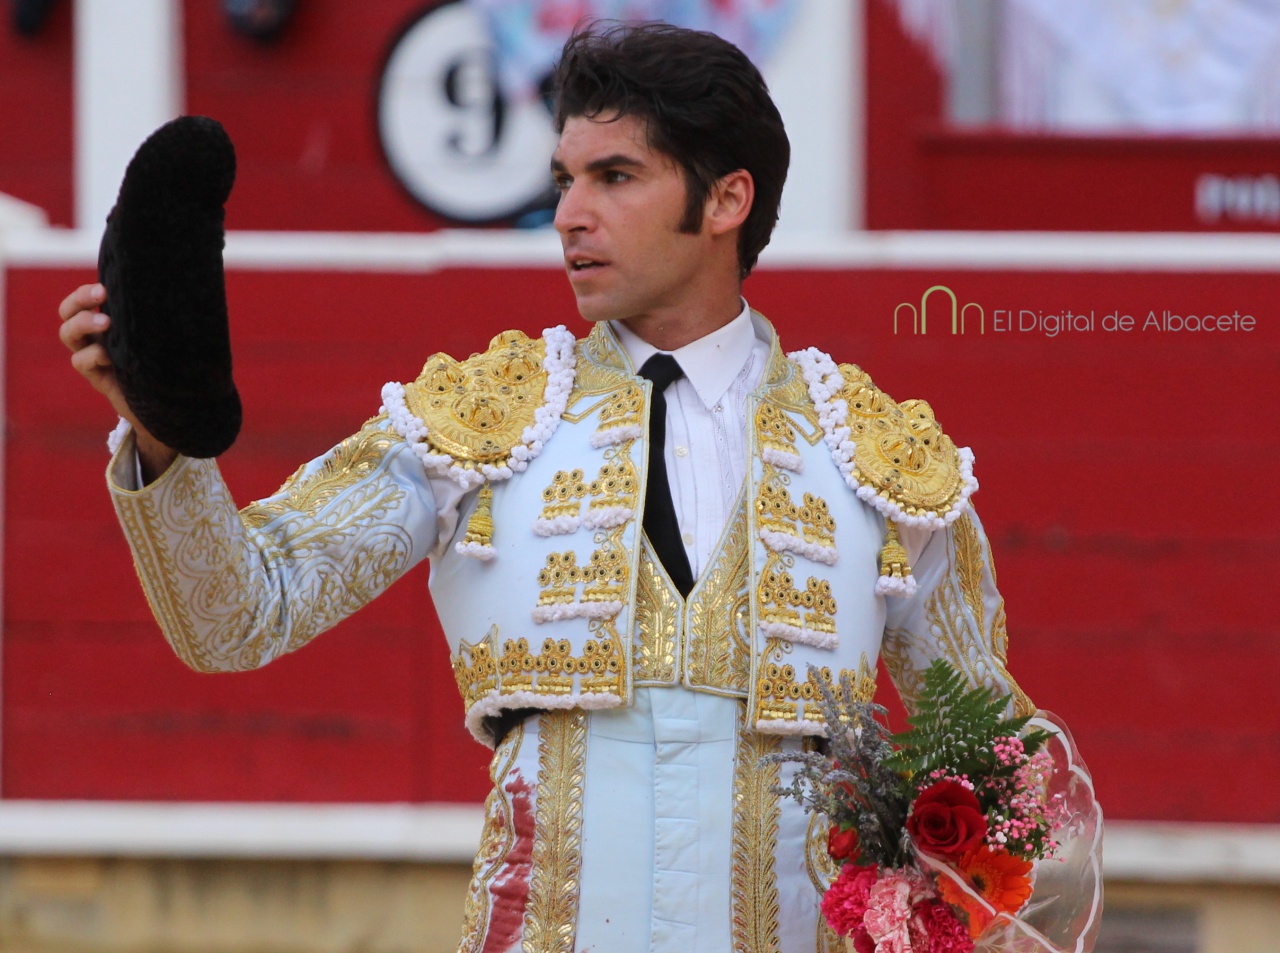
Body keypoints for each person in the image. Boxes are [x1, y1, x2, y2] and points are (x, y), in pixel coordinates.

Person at [59, 22, 1095, 953]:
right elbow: (240, 612)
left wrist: (933, 908)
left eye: (613, 176)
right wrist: (162, 439)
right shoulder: (481, 416)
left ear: (726, 198)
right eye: (562, 179)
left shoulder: (874, 456)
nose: (568, 214)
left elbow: (1002, 759)